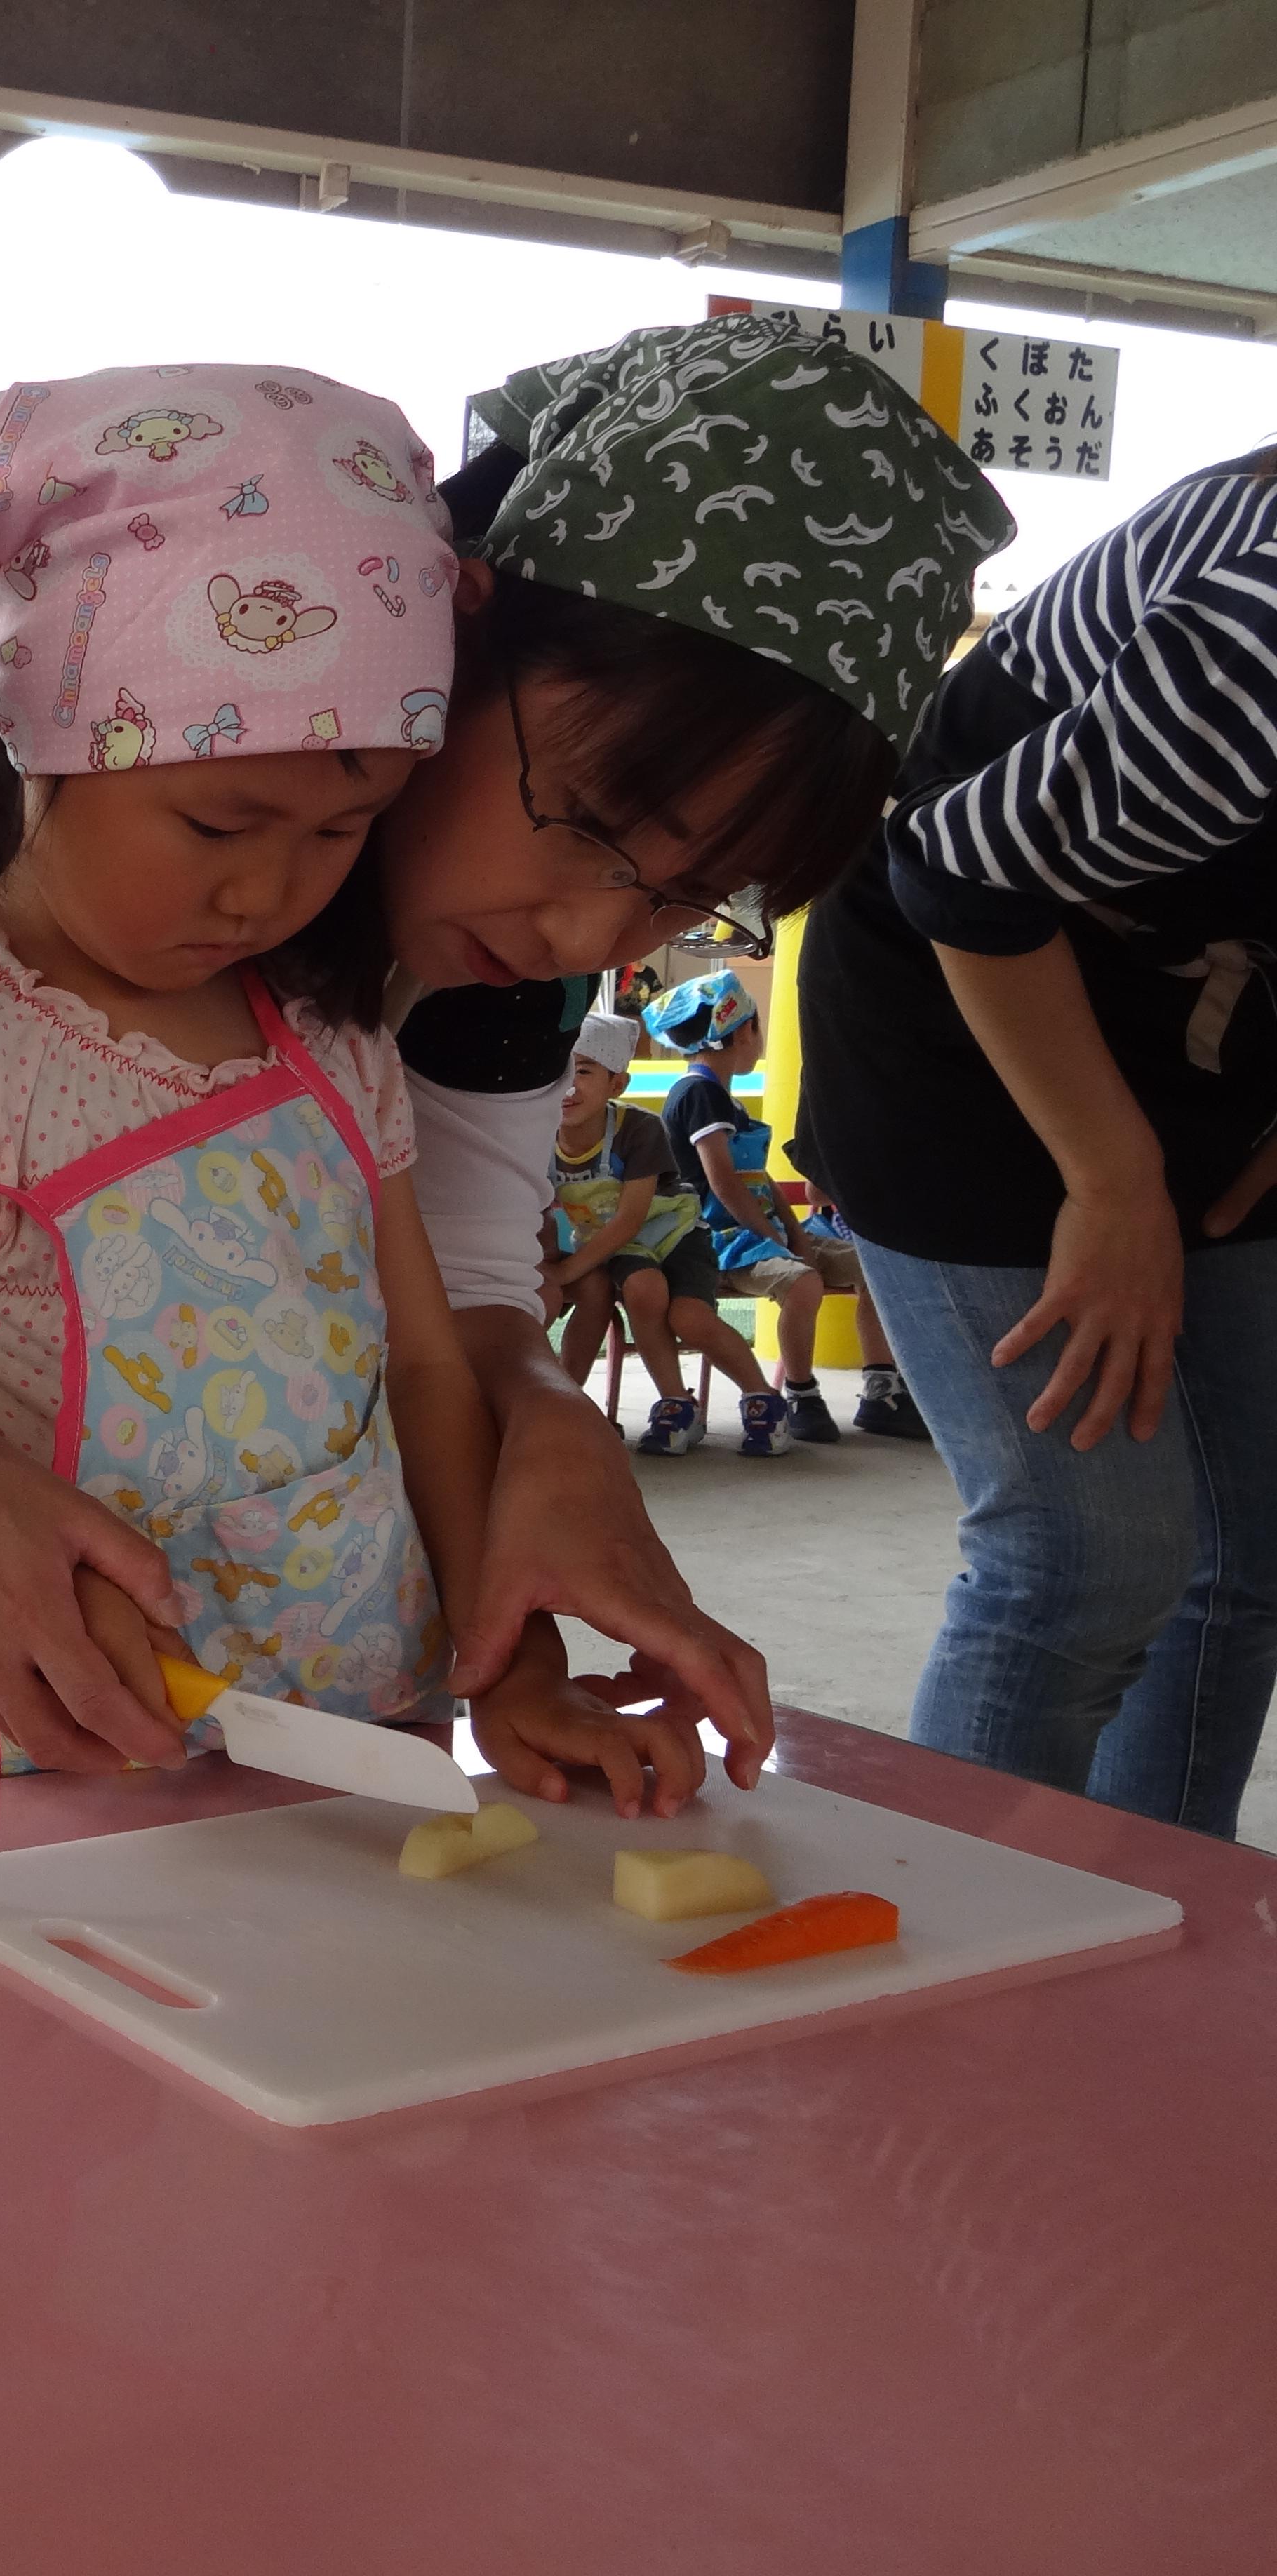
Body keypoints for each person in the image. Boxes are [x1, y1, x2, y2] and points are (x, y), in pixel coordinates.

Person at [0, 316, 1009, 1820]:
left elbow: (456, 1282)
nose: (586, 934)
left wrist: (551, 1430)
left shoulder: (376, 897)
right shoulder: (55, 702)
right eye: (586, 820)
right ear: (462, 629)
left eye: (688, 897)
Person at [0, 369, 613, 1787]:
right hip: (81, 1739)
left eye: (342, 831)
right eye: (220, 823)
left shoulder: (330, 1040)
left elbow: (423, 1369)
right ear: (46, 738)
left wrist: (512, 1662)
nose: (268, 892)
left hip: (383, 1726)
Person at [794, 443, 1277, 1838]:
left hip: (1204, 1011)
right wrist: (1112, 1179)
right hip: (968, 983)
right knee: (1086, 1557)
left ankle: (1157, 1906)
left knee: (1248, 1551)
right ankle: (975, 1936)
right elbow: (961, 867)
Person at [650, 969, 918, 1448]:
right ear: (743, 1032)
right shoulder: (699, 1095)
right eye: (758, 1030)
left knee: (880, 1268)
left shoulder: (722, 1099)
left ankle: (881, 1388)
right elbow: (724, 1184)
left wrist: (794, 1234)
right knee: (802, 1282)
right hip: (720, 1240)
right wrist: (777, 1242)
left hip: (759, 1232)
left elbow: (760, 1180)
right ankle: (800, 1394)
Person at [545, 1010, 758, 1456]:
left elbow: (629, 1220)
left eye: (584, 1071)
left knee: (689, 1317)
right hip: (619, 1246)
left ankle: (762, 1396)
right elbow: (541, 1211)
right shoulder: (540, 1136)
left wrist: (564, 1274)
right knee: (642, 1288)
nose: (569, 1085)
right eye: (559, 1070)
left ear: (617, 1084)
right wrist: (547, 1266)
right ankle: (664, 1404)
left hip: (675, 1233)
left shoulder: (638, 1129)